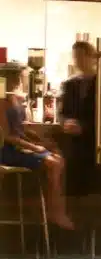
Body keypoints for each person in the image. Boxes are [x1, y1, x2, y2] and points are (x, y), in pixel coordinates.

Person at [1, 90, 74, 229]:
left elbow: (19, 131)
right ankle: (54, 212)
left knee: (58, 157)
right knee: (53, 163)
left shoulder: (14, 97)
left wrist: (37, 141)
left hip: (17, 147)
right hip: (5, 151)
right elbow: (6, 136)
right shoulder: (1, 102)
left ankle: (53, 208)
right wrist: (34, 147)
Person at [59, 40, 101, 199]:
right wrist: (66, 123)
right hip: (74, 147)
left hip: (97, 144)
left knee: (97, 189)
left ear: (93, 58)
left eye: (82, 56)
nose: (78, 60)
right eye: (76, 56)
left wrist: (83, 127)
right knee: (73, 190)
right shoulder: (70, 85)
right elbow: (63, 112)